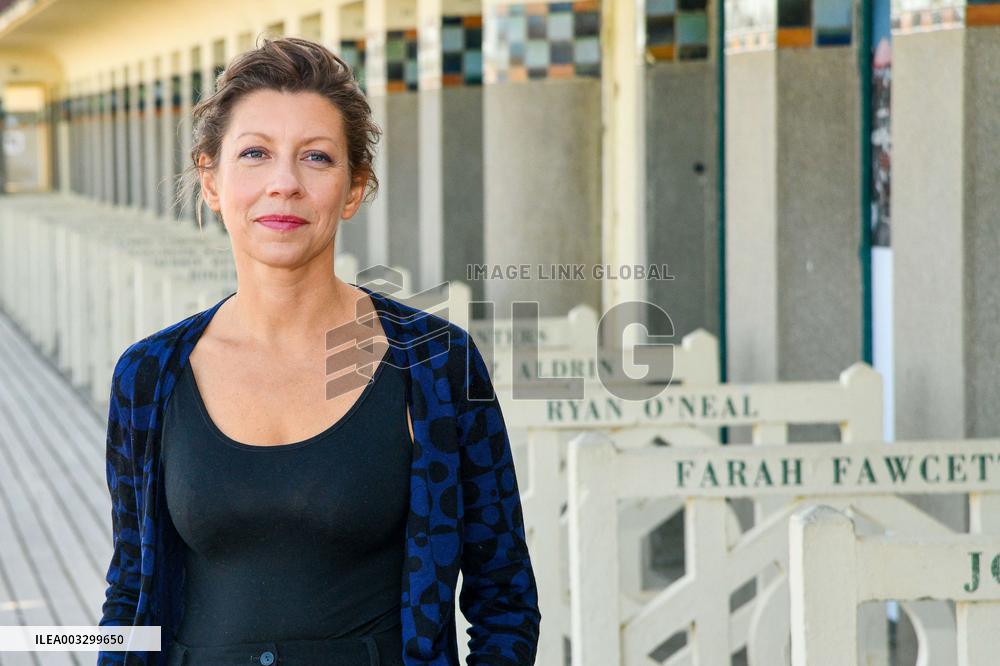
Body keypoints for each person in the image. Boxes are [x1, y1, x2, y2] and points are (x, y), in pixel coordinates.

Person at [97, 36, 540, 666]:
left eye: (317, 158)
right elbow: (131, 591)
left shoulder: (437, 363)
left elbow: (505, 596)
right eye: (254, 154)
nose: (284, 184)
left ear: (355, 188)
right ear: (211, 180)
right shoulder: (148, 377)